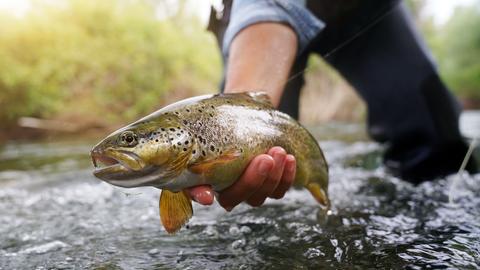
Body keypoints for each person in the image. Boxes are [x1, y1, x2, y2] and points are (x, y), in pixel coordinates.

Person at [186, 0, 477, 210]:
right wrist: (237, 116)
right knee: (246, 169)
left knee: (436, 143)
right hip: (262, 14)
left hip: (363, 9)